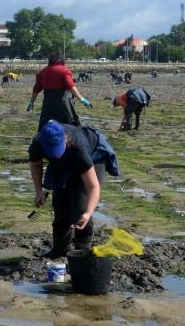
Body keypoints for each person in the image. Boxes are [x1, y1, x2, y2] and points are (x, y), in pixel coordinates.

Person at [29, 120, 119, 258]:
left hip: (94, 156)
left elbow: (93, 186)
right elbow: (36, 164)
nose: (56, 155)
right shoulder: (38, 142)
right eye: (52, 152)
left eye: (58, 150)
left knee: (80, 206)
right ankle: (60, 250)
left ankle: (82, 252)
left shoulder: (78, 148)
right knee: (60, 203)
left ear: (65, 139)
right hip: (66, 161)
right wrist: (38, 191)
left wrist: (88, 213)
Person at [27, 53, 90, 130]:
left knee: (45, 127)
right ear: (61, 61)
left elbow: (36, 88)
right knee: (70, 128)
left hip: (47, 105)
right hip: (62, 105)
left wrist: (31, 102)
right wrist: (82, 99)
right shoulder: (64, 70)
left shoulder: (43, 71)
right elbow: (70, 86)